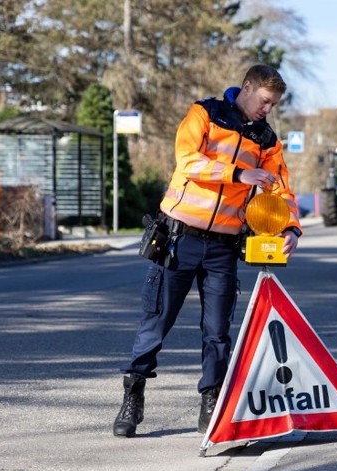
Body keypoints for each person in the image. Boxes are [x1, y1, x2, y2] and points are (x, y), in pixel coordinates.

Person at [114, 64, 302, 437]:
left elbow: (280, 188)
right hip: (178, 239)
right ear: (247, 88)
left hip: (222, 247)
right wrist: (238, 174)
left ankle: (211, 401)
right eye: (265, 101)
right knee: (157, 323)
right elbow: (187, 161)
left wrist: (291, 226)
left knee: (217, 332)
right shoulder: (205, 114)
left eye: (274, 105)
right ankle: (133, 396)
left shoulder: (266, 140)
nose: (268, 110)